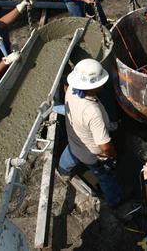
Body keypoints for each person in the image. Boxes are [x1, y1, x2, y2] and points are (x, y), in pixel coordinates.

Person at [58, 59, 123, 208]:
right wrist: (113, 155)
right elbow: (105, 147)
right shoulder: (92, 112)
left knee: (65, 164)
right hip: (92, 156)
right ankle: (116, 201)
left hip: (74, 145)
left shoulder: (70, 89)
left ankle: (61, 175)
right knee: (105, 177)